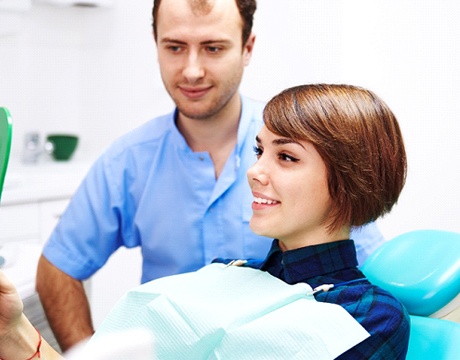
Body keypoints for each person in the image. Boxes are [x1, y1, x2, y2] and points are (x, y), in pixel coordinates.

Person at [35, 0, 384, 352]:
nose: (191, 71)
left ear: (247, 47)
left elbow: (361, 270)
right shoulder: (128, 161)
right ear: (155, 44)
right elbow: (58, 267)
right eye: (174, 47)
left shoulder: (302, 145)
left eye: (213, 48)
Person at [1, 83, 409, 359]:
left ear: (351, 181)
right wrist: (14, 330)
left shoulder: (367, 316)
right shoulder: (226, 276)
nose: (255, 171)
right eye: (259, 151)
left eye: (286, 157)